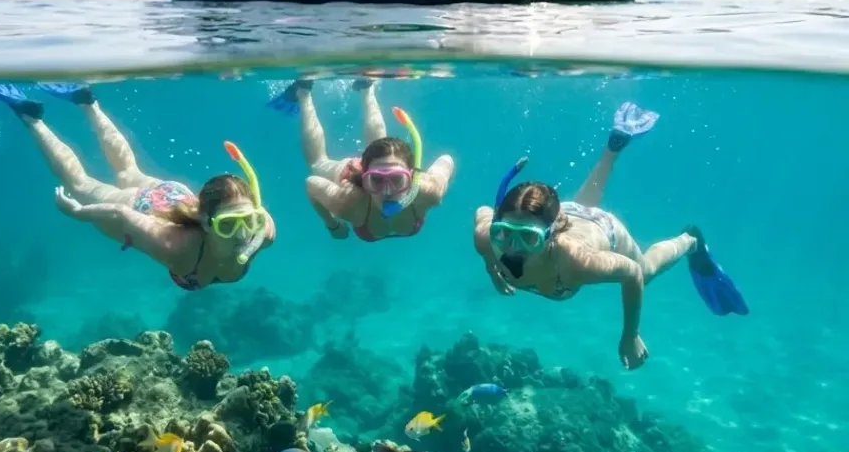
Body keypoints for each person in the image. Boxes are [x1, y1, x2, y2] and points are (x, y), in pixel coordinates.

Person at [472, 102, 747, 371]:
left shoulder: (578, 262)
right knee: (581, 206)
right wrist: (492, 269)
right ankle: (614, 145)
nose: (512, 248)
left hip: (603, 228)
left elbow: (632, 275)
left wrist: (630, 336)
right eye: (504, 233)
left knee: (646, 271)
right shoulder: (488, 239)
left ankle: (690, 240)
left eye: (529, 238)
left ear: (551, 235)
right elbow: (483, 211)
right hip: (567, 214)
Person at [0, 81, 274, 290]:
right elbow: (120, 214)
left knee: (128, 171)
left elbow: (255, 216)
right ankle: (30, 117)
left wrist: (249, 217)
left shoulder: (263, 233)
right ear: (207, 223)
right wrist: (78, 212)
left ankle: (87, 102)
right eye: (228, 225)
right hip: (142, 207)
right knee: (79, 184)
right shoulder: (175, 247)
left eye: (249, 220)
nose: (242, 234)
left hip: (174, 196)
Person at [267, 78, 454, 241]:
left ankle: (366, 88)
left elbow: (447, 160)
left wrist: (429, 180)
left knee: (380, 152)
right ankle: (304, 93)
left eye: (397, 180)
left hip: (380, 172)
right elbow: (311, 183)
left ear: (411, 178)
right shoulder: (349, 203)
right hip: (348, 172)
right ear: (365, 179)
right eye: (377, 181)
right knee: (317, 163)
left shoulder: (428, 193)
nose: (387, 191)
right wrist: (331, 224)